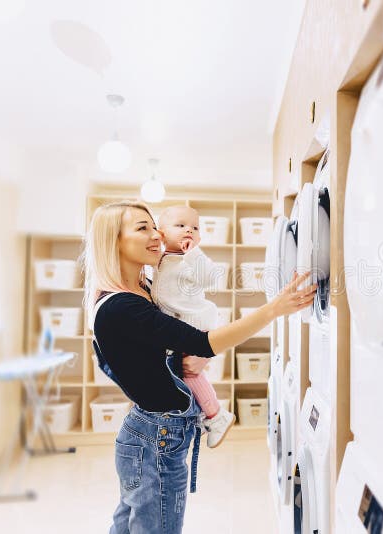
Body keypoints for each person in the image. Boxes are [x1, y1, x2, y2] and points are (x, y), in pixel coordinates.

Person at [82, 200, 315, 534]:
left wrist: (189, 357)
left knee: (129, 525)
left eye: (153, 226)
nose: (156, 235)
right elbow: (199, 341)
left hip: (148, 432)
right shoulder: (122, 306)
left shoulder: (144, 289)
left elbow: (149, 358)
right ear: (113, 241)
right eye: (142, 228)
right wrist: (273, 310)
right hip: (155, 436)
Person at [152, 205, 234, 448]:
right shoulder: (162, 258)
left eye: (195, 228)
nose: (189, 230)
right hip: (178, 325)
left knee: (191, 372)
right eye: (180, 226)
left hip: (193, 323)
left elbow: (210, 278)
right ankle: (203, 412)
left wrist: (194, 254)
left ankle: (217, 415)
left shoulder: (191, 259)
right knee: (185, 375)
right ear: (161, 233)